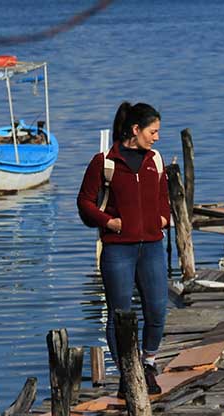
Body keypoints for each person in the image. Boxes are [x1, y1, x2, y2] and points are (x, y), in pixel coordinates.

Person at [77, 102, 169, 395]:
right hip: (118, 250)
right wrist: (108, 222)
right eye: (152, 132)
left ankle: (148, 365)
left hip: (152, 247)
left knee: (157, 309)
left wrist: (164, 218)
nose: (156, 137)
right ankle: (128, 374)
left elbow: (164, 197)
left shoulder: (155, 160)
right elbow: (85, 203)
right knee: (121, 314)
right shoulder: (104, 162)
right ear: (135, 130)